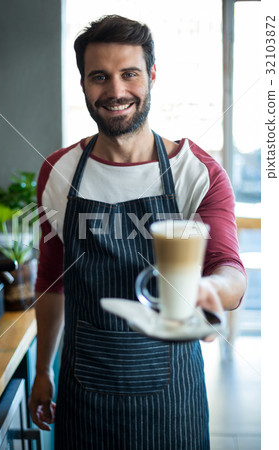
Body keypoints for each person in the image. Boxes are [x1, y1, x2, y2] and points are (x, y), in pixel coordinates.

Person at [28, 15, 246, 450]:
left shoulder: (197, 174)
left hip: (173, 399)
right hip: (82, 392)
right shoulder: (58, 172)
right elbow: (53, 277)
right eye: (99, 77)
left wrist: (208, 288)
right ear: (83, 84)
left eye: (129, 74)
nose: (115, 91)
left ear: (150, 76)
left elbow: (231, 272)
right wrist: (43, 369)